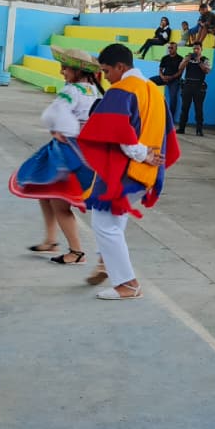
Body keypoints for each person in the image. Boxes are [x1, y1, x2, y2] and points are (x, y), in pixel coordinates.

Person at [75, 44, 178, 300]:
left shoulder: (122, 90)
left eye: (107, 71)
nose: (106, 77)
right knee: (115, 222)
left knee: (104, 224)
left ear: (120, 67)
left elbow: (119, 132)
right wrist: (152, 158)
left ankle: (127, 283)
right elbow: (167, 132)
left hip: (124, 171)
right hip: (146, 173)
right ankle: (109, 266)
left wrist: (142, 153)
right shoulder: (154, 91)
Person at [13, 47, 103, 266]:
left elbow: (55, 112)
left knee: (58, 201)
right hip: (84, 150)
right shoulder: (94, 91)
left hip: (70, 152)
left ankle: (77, 251)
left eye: (65, 68)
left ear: (77, 71)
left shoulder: (72, 91)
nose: (62, 72)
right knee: (46, 190)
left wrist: (60, 129)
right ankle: (51, 240)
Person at [177, 43, 211, 136]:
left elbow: (207, 71)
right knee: (184, 108)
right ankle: (181, 128)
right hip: (188, 85)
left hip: (199, 86)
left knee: (198, 109)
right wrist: (186, 60)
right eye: (194, 49)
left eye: (197, 49)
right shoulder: (188, 57)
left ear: (201, 49)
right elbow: (180, 68)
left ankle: (199, 130)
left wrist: (199, 61)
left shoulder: (205, 59)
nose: (195, 50)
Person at [156, 42, 184, 113]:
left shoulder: (180, 59)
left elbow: (180, 72)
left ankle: (171, 117)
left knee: (173, 97)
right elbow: (160, 70)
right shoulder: (165, 58)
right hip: (164, 78)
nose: (170, 49)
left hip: (174, 80)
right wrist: (162, 77)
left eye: (172, 48)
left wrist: (171, 77)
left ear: (176, 48)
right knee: (149, 82)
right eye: (169, 48)